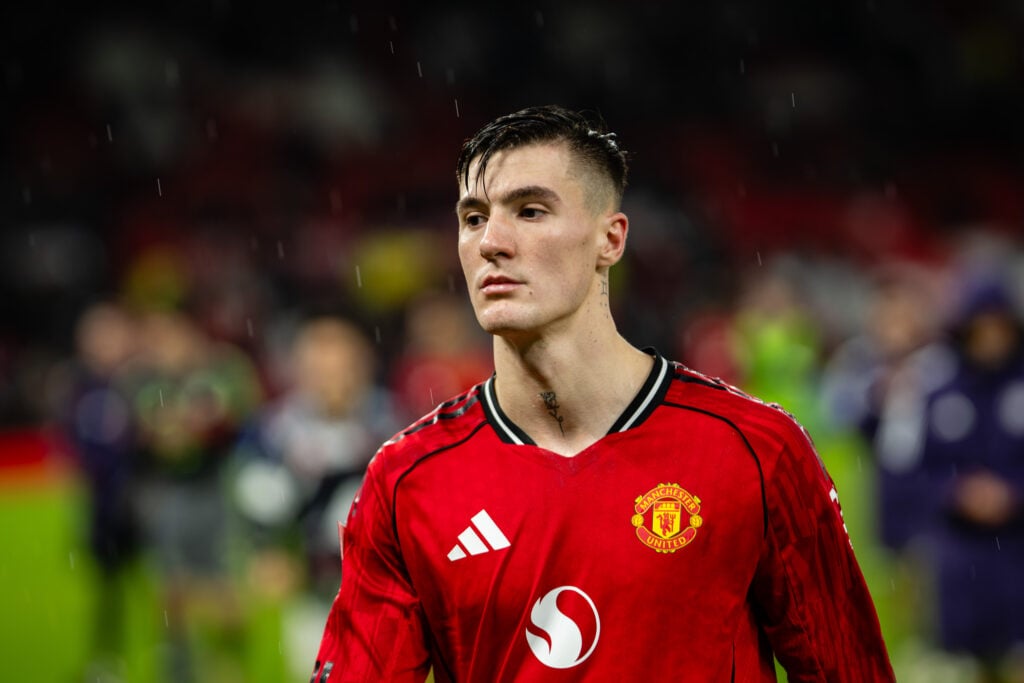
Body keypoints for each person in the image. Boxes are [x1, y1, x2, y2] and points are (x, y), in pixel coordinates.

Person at [311, 105, 895, 681]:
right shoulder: (407, 480)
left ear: (610, 239)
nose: (491, 241)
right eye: (473, 218)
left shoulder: (756, 450)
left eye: (530, 211)